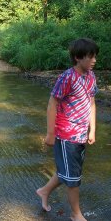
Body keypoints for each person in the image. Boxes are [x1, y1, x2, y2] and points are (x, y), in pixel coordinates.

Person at [36, 38, 99, 221]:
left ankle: (44, 191)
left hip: (80, 134)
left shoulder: (91, 76)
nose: (94, 60)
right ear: (78, 57)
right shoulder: (67, 77)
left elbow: (92, 103)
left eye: (95, 56)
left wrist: (92, 129)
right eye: (91, 56)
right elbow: (52, 103)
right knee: (73, 179)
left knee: (69, 171)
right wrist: (50, 133)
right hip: (66, 135)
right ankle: (75, 214)